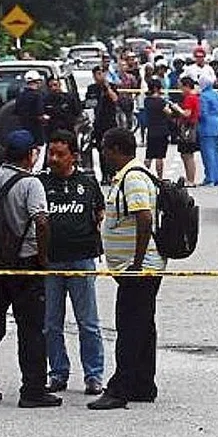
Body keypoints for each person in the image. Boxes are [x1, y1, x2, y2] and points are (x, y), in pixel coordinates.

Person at [0, 130, 60, 408]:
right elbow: (41, 221)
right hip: (25, 263)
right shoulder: (31, 184)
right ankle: (32, 390)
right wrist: (43, 258)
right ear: (30, 154)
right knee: (31, 328)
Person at [88, 128, 165, 410]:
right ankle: (143, 384)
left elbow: (144, 218)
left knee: (130, 327)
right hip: (141, 268)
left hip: (140, 270)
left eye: (106, 149)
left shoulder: (132, 178)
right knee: (144, 326)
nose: (104, 155)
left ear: (117, 149)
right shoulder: (134, 174)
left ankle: (119, 389)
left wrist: (135, 261)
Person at [39, 130, 106, 396]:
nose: (54, 159)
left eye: (60, 154)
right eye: (50, 153)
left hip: (82, 261)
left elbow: (99, 213)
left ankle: (93, 375)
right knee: (51, 323)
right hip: (50, 263)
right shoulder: (40, 183)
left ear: (74, 156)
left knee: (88, 322)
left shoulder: (88, 183)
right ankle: (58, 373)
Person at [86, 66, 119, 184]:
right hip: (98, 124)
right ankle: (104, 175)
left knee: (112, 149)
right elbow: (89, 104)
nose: (100, 76)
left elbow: (115, 99)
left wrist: (107, 87)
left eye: (102, 73)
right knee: (101, 150)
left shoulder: (112, 86)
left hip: (110, 123)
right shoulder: (92, 88)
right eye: (97, 74)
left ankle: (112, 174)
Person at [198, 74, 218, 186]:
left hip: (207, 126)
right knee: (216, 152)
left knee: (208, 153)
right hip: (217, 123)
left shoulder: (203, 96)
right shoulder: (216, 93)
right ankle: (217, 178)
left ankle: (210, 178)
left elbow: (202, 113)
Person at [15, 70, 48, 169]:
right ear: (37, 82)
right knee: (39, 152)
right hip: (36, 130)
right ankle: (34, 171)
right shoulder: (38, 95)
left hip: (23, 128)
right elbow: (40, 114)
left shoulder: (21, 95)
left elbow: (17, 111)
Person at [172, 76, 200, 187]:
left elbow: (186, 113)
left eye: (182, 88)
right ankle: (189, 178)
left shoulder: (190, 98)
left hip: (188, 127)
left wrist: (176, 108)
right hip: (190, 126)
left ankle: (191, 179)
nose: (181, 91)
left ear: (187, 86)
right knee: (185, 154)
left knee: (188, 155)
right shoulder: (194, 97)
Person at [143, 78, 173, 178]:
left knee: (149, 155)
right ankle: (160, 177)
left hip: (151, 130)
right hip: (162, 130)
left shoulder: (147, 100)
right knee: (159, 156)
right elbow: (168, 112)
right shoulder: (160, 101)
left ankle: (145, 175)